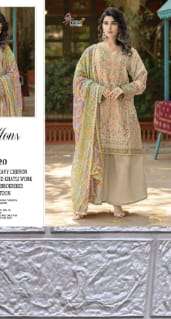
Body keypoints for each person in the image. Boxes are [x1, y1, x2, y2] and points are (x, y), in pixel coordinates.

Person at [70, 6, 148, 218]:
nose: (109, 27)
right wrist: (97, 89)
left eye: (113, 23)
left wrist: (124, 89)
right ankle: (82, 203)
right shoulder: (91, 52)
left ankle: (117, 202)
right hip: (97, 114)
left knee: (119, 158)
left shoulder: (129, 53)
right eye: (106, 23)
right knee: (96, 155)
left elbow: (141, 78)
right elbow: (79, 80)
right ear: (101, 27)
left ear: (120, 26)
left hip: (122, 114)